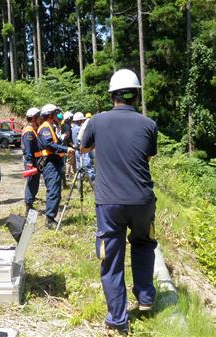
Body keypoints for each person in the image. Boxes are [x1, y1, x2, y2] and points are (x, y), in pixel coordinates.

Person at [81, 69, 158, 334]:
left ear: (112, 96)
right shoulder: (149, 125)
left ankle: (117, 319)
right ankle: (146, 298)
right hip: (142, 201)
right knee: (144, 244)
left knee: (111, 258)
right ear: (136, 96)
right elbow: (145, 158)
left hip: (110, 203)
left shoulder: (97, 122)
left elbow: (83, 148)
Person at [37, 104, 75, 229]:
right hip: (50, 163)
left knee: (56, 190)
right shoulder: (45, 128)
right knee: (53, 191)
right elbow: (49, 145)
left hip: (54, 162)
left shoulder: (51, 127)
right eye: (55, 114)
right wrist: (65, 148)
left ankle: (51, 217)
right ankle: (50, 219)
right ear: (50, 115)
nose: (57, 116)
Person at [22, 107, 42, 215]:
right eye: (38, 117)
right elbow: (29, 148)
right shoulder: (29, 131)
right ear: (34, 118)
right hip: (32, 161)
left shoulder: (32, 129)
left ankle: (30, 203)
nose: (40, 119)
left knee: (34, 183)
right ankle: (28, 206)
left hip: (35, 161)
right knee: (31, 184)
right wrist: (30, 163)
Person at [71, 112, 95, 182]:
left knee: (79, 167)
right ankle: (93, 181)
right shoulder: (78, 128)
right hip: (81, 150)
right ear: (78, 120)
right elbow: (82, 140)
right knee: (88, 165)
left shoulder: (73, 128)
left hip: (77, 151)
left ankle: (79, 184)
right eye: (81, 120)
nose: (82, 121)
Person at [62, 111, 76, 181]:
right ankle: (68, 175)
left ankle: (70, 174)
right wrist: (72, 145)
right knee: (70, 161)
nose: (72, 119)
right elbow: (67, 137)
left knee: (69, 161)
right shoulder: (67, 126)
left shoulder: (63, 125)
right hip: (68, 146)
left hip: (64, 146)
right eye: (71, 118)